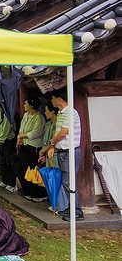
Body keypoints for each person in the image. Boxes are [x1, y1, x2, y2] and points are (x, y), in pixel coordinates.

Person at [40, 88, 84, 221]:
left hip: (70, 151)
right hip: (62, 151)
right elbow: (57, 131)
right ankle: (71, 208)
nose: (52, 101)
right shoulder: (61, 113)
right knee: (66, 181)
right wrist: (53, 146)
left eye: (53, 98)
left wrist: (52, 142)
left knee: (69, 182)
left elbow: (63, 133)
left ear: (59, 99)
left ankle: (77, 211)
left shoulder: (70, 112)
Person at [16, 97, 47, 202]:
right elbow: (21, 128)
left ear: (31, 106)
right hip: (24, 146)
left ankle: (38, 194)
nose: (24, 105)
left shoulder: (39, 118)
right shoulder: (25, 115)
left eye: (26, 104)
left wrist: (22, 136)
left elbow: (35, 133)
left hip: (34, 147)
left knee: (34, 171)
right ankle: (27, 191)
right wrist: (20, 137)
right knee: (23, 170)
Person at [38, 103, 67, 212]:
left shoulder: (57, 125)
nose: (45, 113)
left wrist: (43, 151)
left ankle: (61, 206)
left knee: (57, 180)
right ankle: (55, 203)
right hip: (48, 155)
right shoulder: (48, 124)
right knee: (50, 181)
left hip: (55, 155)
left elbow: (53, 143)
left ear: (52, 112)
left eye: (47, 110)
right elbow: (46, 141)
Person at [0, 96, 18, 193]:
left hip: (8, 140)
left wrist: (1, 139)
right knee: (2, 162)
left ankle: (12, 183)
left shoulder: (5, 112)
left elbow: (7, 127)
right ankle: (5, 180)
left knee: (9, 162)